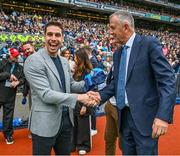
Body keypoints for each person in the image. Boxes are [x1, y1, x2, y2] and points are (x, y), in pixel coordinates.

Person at [88, 11, 176, 155]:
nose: (109, 32)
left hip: (145, 120)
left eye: (112, 28)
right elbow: (117, 83)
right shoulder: (117, 53)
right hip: (124, 118)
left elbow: (168, 80)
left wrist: (163, 116)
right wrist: (99, 95)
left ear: (126, 27)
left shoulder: (148, 44)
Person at [23, 21, 95, 155]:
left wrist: (89, 83)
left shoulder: (63, 61)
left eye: (57, 35)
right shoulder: (33, 60)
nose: (53, 39)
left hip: (66, 121)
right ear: (44, 36)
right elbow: (46, 94)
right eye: (50, 34)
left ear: (62, 38)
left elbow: (70, 84)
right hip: (44, 123)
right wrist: (81, 97)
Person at [0, 48, 24, 144]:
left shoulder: (20, 67)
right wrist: (7, 75)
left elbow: (23, 79)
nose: (16, 57)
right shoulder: (2, 63)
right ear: (10, 55)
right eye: (14, 56)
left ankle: (8, 135)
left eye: (17, 55)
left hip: (10, 95)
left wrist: (18, 82)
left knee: (8, 117)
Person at [72, 47, 93, 155]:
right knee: (74, 124)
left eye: (75, 57)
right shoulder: (76, 71)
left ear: (80, 58)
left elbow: (91, 90)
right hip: (74, 101)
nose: (74, 58)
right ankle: (74, 143)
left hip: (83, 103)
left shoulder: (88, 72)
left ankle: (83, 145)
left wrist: (85, 106)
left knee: (83, 125)